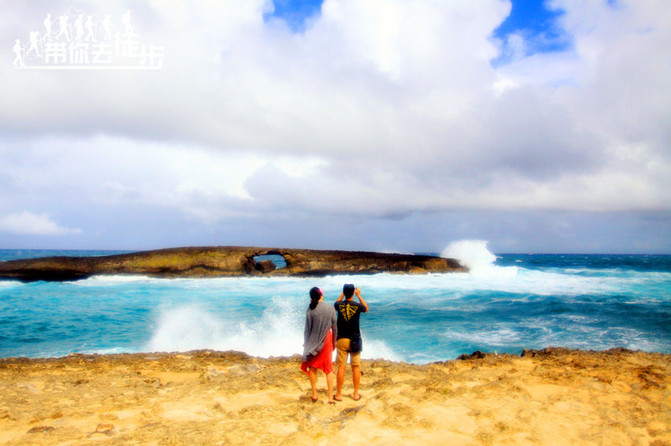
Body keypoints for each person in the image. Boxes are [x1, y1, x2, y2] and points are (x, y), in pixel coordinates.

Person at [301, 287, 338, 404]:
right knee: (328, 369)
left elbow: (307, 329)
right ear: (321, 295)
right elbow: (335, 328)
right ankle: (330, 397)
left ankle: (314, 394)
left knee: (313, 367)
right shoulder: (330, 308)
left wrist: (306, 343)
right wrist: (334, 342)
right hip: (326, 339)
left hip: (313, 340)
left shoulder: (310, 309)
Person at [334, 283, 368, 401]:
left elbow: (336, 302)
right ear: (353, 292)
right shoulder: (357, 306)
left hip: (342, 339)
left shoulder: (339, 305)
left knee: (341, 367)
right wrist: (358, 295)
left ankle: (338, 394)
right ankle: (355, 394)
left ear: (344, 292)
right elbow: (366, 308)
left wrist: (343, 293)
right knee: (356, 367)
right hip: (355, 340)